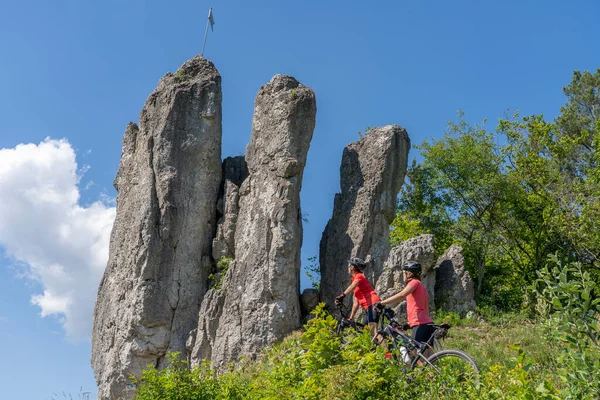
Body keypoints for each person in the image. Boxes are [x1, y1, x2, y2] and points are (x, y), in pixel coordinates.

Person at [375, 261, 435, 348]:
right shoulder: (421, 286)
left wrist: (381, 303)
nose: (403, 275)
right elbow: (425, 308)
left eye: (403, 272)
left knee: (415, 354)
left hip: (419, 323)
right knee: (429, 357)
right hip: (427, 323)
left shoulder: (414, 282)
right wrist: (408, 324)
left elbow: (401, 295)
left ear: (408, 273)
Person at [335, 257, 381, 337]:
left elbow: (353, 286)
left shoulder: (359, 276)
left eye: (349, 265)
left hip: (373, 305)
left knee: (373, 331)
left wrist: (342, 296)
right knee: (365, 331)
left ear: (352, 267)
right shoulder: (355, 281)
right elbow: (356, 303)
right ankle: (373, 347)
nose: (348, 267)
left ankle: (386, 349)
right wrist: (351, 317)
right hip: (368, 308)